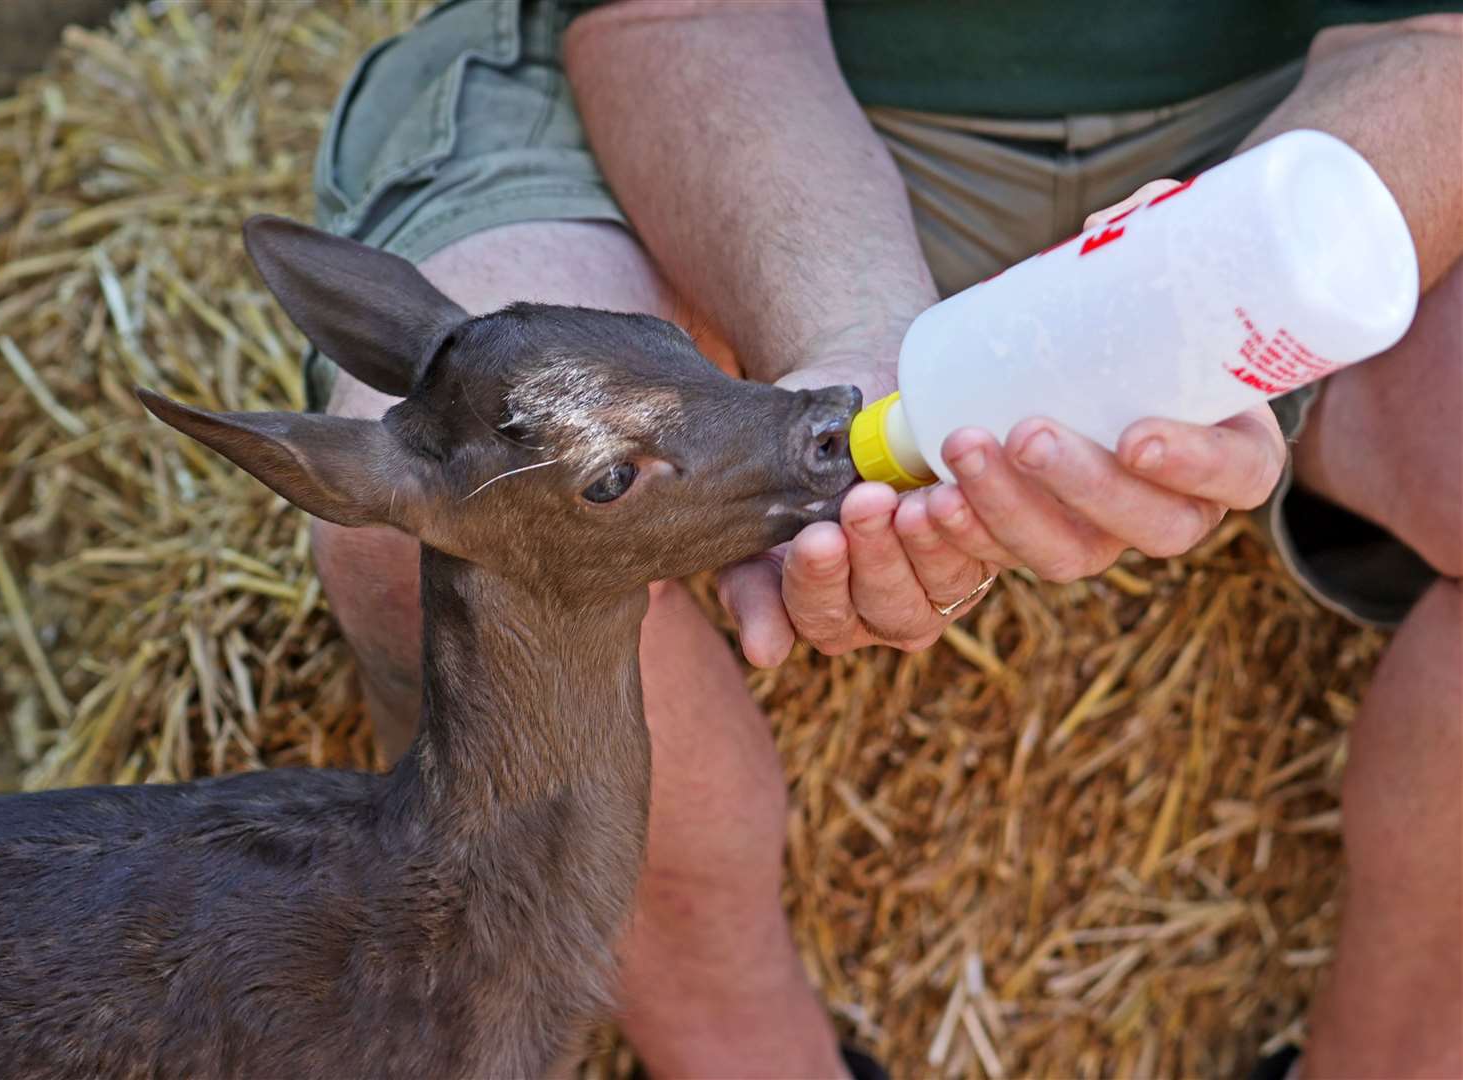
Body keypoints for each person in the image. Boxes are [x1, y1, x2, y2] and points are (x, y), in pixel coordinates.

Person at [304, 2, 1462, 1075]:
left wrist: (1222, 306)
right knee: (462, 520)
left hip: (1311, 123)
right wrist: (849, 346)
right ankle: (751, 1053)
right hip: (741, 92)